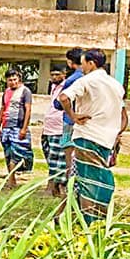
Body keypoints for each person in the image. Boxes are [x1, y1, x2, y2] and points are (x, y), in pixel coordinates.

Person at [58, 48, 128, 222]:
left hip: (87, 135)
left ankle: (90, 222)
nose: (81, 68)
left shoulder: (87, 80)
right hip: (107, 139)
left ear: (91, 63)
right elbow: (122, 114)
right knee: (91, 178)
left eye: (83, 64)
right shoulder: (116, 85)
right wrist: (117, 132)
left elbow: (64, 97)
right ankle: (75, 217)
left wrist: (73, 116)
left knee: (88, 181)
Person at [0, 69, 34, 189]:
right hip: (6, 127)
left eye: (14, 79)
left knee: (19, 154)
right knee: (8, 154)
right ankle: (11, 180)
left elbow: (28, 110)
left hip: (18, 126)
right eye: (10, 80)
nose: (12, 82)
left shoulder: (25, 92)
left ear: (19, 79)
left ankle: (13, 178)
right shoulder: (6, 92)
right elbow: (2, 109)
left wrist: (24, 128)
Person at [54, 48, 84, 182]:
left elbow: (61, 101)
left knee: (69, 159)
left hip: (71, 121)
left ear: (70, 62)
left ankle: (69, 191)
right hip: (87, 121)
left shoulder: (73, 79)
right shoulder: (90, 77)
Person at [41, 64, 68, 197]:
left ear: (64, 74)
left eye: (57, 74)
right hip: (48, 127)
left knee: (57, 159)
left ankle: (53, 187)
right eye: (52, 75)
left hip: (58, 128)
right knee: (50, 156)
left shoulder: (67, 87)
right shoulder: (53, 87)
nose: (54, 77)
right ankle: (54, 186)